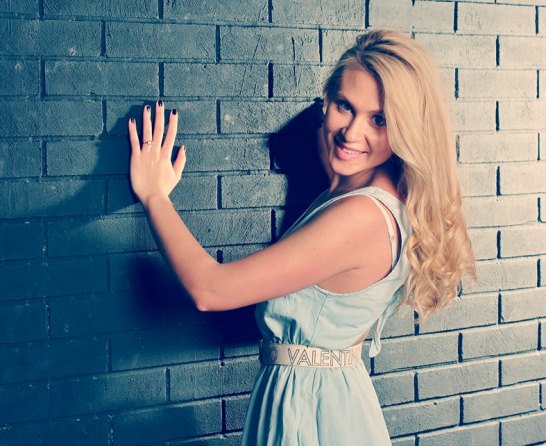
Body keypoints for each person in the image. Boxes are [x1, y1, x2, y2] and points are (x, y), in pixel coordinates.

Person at [128, 29, 475, 445]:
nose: (352, 133)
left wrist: (154, 195)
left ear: (406, 128)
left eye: (379, 119)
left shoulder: (360, 217)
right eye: (345, 106)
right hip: (323, 399)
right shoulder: (371, 193)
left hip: (310, 412)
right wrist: (333, 155)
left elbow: (210, 289)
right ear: (327, 102)